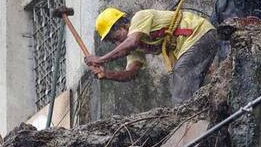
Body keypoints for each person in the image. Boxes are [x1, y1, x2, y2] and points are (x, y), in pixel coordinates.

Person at [85, 8, 218, 105]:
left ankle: (184, 121)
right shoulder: (134, 47)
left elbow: (131, 42)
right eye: (114, 42)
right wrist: (107, 74)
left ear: (122, 25)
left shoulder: (140, 18)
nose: (118, 43)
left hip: (200, 33)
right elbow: (131, 73)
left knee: (182, 71)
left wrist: (100, 59)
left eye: (117, 37)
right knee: (189, 84)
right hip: (192, 44)